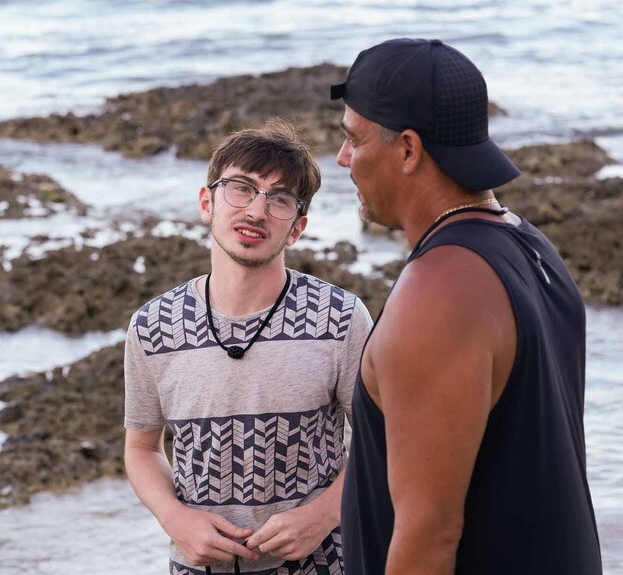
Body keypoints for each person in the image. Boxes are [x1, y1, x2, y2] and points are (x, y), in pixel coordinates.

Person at [331, 38, 603, 574]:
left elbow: (430, 536)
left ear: (408, 150)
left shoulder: (441, 291)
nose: (343, 159)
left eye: (353, 139)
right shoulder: (530, 247)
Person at [124, 119, 372, 575]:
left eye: (279, 200)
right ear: (207, 201)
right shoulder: (152, 326)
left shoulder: (340, 318)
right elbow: (142, 448)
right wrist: (174, 518)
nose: (257, 212)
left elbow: (383, 445)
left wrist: (323, 514)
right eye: (241, 188)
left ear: (297, 228)